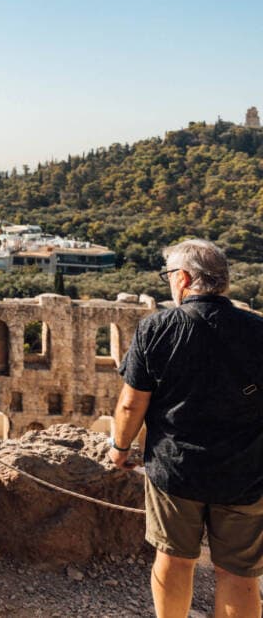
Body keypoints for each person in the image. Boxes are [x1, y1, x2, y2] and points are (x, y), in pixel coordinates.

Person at [109, 239, 263, 618]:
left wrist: (120, 447)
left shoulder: (158, 328)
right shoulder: (258, 330)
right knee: (238, 572)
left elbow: (132, 402)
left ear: (183, 279)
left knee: (174, 559)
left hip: (176, 470)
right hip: (245, 472)